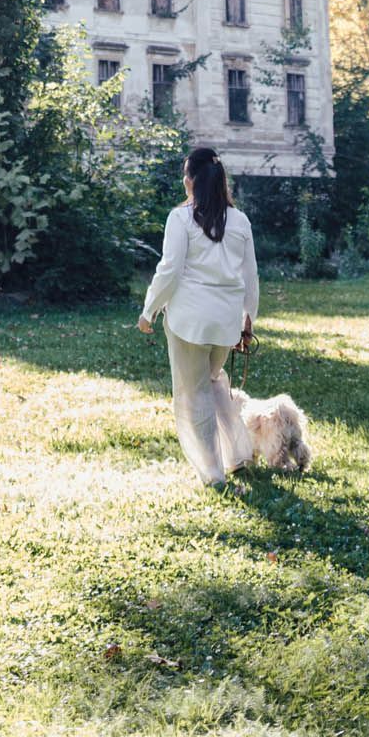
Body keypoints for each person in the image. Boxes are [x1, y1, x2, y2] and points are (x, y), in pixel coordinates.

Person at [137, 143, 259, 488]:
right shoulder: (240, 220)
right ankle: (238, 454)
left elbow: (170, 270)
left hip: (189, 322)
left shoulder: (181, 218)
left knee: (195, 394)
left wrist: (149, 311)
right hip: (226, 322)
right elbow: (250, 275)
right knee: (214, 380)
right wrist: (249, 318)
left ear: (190, 180)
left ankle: (213, 473)